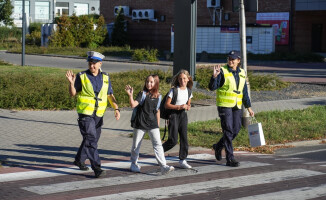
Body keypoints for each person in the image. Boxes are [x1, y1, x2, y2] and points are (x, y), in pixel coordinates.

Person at [66, 51, 120, 178]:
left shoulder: (106, 77)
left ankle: (79, 160)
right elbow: (73, 94)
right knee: (91, 139)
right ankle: (97, 168)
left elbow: (110, 95)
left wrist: (116, 109)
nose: (92, 66)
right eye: (90, 63)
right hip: (85, 114)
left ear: (100, 64)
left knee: (92, 139)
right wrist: (71, 83)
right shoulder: (82, 76)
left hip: (99, 115)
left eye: (94, 64)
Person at [209, 50, 254, 167]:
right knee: (228, 131)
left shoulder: (242, 73)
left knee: (236, 130)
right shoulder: (222, 71)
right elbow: (212, 88)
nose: (230, 61)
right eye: (229, 58)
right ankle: (230, 158)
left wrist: (248, 107)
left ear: (238, 61)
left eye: (233, 59)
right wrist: (214, 76)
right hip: (224, 106)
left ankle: (218, 146)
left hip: (237, 106)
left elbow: (244, 92)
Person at [125, 75, 174, 174]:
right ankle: (134, 164)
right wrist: (130, 95)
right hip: (140, 123)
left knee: (158, 145)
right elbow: (133, 105)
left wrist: (157, 125)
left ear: (155, 83)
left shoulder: (159, 96)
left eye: (151, 82)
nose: (149, 84)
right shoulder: (142, 94)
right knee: (136, 145)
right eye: (147, 81)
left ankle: (163, 166)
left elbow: (157, 110)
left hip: (152, 124)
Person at [162, 69, 193, 169]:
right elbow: (167, 105)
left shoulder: (189, 91)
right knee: (173, 140)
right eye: (180, 79)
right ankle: (159, 151)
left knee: (184, 138)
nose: (182, 81)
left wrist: (188, 107)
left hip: (183, 116)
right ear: (178, 80)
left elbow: (188, 104)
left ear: (188, 79)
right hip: (173, 115)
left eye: (184, 78)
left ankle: (182, 160)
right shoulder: (174, 90)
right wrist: (179, 107)